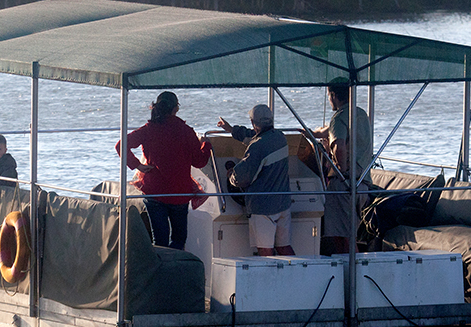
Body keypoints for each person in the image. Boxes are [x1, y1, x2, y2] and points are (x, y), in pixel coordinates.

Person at [116, 91, 211, 250]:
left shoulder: (148, 129)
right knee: (178, 240)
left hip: (154, 191)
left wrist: (137, 165)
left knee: (159, 241)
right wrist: (206, 145)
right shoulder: (186, 131)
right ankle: (175, 272)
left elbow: (121, 145)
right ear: (176, 108)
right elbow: (199, 162)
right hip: (179, 193)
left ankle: (160, 272)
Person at [217, 103, 296, 256]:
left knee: (265, 250)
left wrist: (231, 175)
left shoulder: (257, 147)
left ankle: (269, 280)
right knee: (284, 248)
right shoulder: (280, 138)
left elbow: (242, 177)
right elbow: (254, 137)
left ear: (254, 123)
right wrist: (232, 130)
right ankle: (296, 277)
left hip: (263, 208)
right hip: (283, 203)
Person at [310, 77, 372, 254]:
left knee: (341, 236)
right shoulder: (360, 114)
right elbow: (329, 131)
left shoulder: (338, 117)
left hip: (345, 184)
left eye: (329, 96)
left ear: (333, 95)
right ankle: (356, 272)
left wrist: (342, 172)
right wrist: (312, 133)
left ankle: (349, 275)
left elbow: (339, 146)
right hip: (363, 183)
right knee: (352, 234)